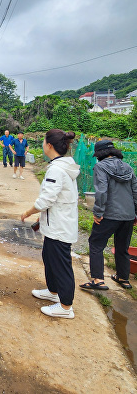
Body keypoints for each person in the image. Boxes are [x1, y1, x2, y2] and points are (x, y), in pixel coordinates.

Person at [21, 129, 79, 319]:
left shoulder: (57, 169)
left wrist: (29, 212)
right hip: (55, 223)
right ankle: (53, 292)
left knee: (61, 265)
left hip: (59, 227)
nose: (43, 144)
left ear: (50, 145)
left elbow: (46, 200)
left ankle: (65, 306)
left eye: (44, 141)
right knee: (49, 258)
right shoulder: (61, 166)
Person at [80, 140, 137, 291]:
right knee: (122, 247)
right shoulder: (128, 167)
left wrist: (98, 212)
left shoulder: (101, 166)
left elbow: (102, 191)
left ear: (100, 154)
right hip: (128, 215)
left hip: (109, 214)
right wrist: (135, 214)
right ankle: (123, 278)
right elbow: (135, 192)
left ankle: (98, 280)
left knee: (96, 244)